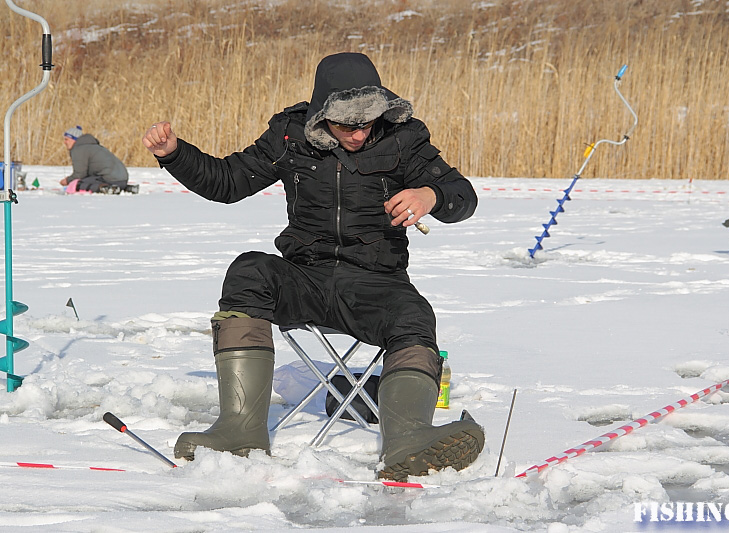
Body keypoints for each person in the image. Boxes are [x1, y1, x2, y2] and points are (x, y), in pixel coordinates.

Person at [142, 52, 484, 481]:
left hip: (376, 283)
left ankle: (409, 437)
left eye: (366, 123)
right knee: (250, 270)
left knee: (414, 315)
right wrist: (175, 154)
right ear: (323, 118)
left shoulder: (404, 139)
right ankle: (240, 430)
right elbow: (227, 182)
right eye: (346, 125)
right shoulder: (290, 136)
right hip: (305, 276)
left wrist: (430, 196)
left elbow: (462, 196)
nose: (358, 134)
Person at [60, 125, 130, 193]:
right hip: (123, 180)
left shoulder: (79, 149)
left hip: (110, 180)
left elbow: (80, 174)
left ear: (74, 139)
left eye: (67, 139)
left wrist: (67, 180)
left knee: (76, 184)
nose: (64, 142)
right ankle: (127, 188)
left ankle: (104, 188)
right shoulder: (94, 146)